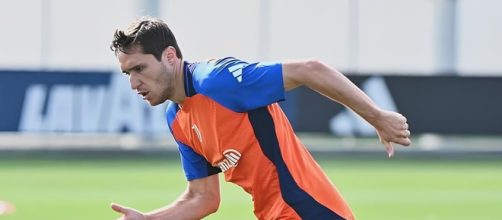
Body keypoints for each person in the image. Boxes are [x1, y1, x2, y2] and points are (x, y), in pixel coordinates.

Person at [109, 17, 411, 220]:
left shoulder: (218, 80)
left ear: (170, 56)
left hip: (309, 211)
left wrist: (377, 116)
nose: (133, 83)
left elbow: (310, 69)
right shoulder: (176, 118)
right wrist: (150, 219)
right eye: (127, 73)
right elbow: (202, 197)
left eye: (140, 69)